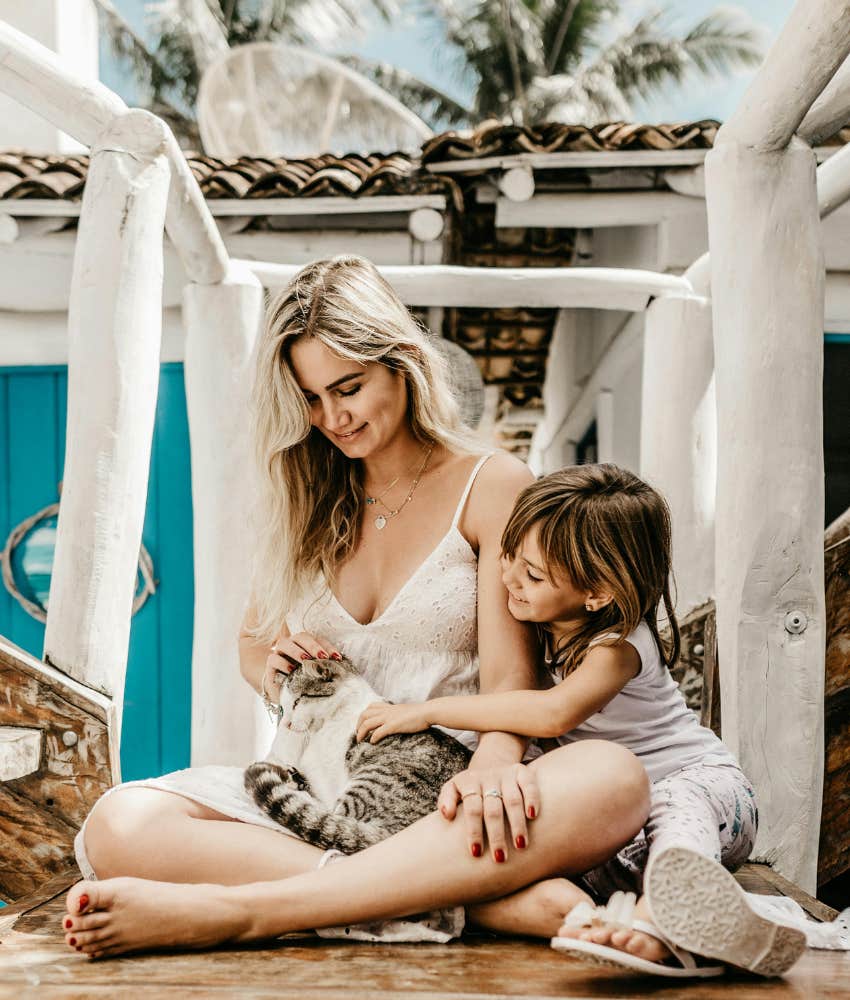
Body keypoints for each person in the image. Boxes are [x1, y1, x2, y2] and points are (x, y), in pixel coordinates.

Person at [63, 256, 649, 959]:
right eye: (309, 399)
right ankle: (470, 905)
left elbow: (511, 684)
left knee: (614, 781)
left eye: (349, 388)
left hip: (448, 798)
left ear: (400, 361)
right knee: (120, 822)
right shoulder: (300, 492)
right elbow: (254, 648)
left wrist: (498, 764)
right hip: (317, 782)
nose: (332, 418)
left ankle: (239, 911)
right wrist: (277, 667)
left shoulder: (493, 482)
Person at [356, 465, 789, 977]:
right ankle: (667, 926)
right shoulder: (538, 625)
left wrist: (426, 711)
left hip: (708, 797)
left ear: (598, 594)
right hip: (621, 823)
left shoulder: (618, 647)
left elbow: (551, 713)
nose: (509, 577)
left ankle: (662, 920)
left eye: (533, 574)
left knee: (675, 805)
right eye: (508, 555)